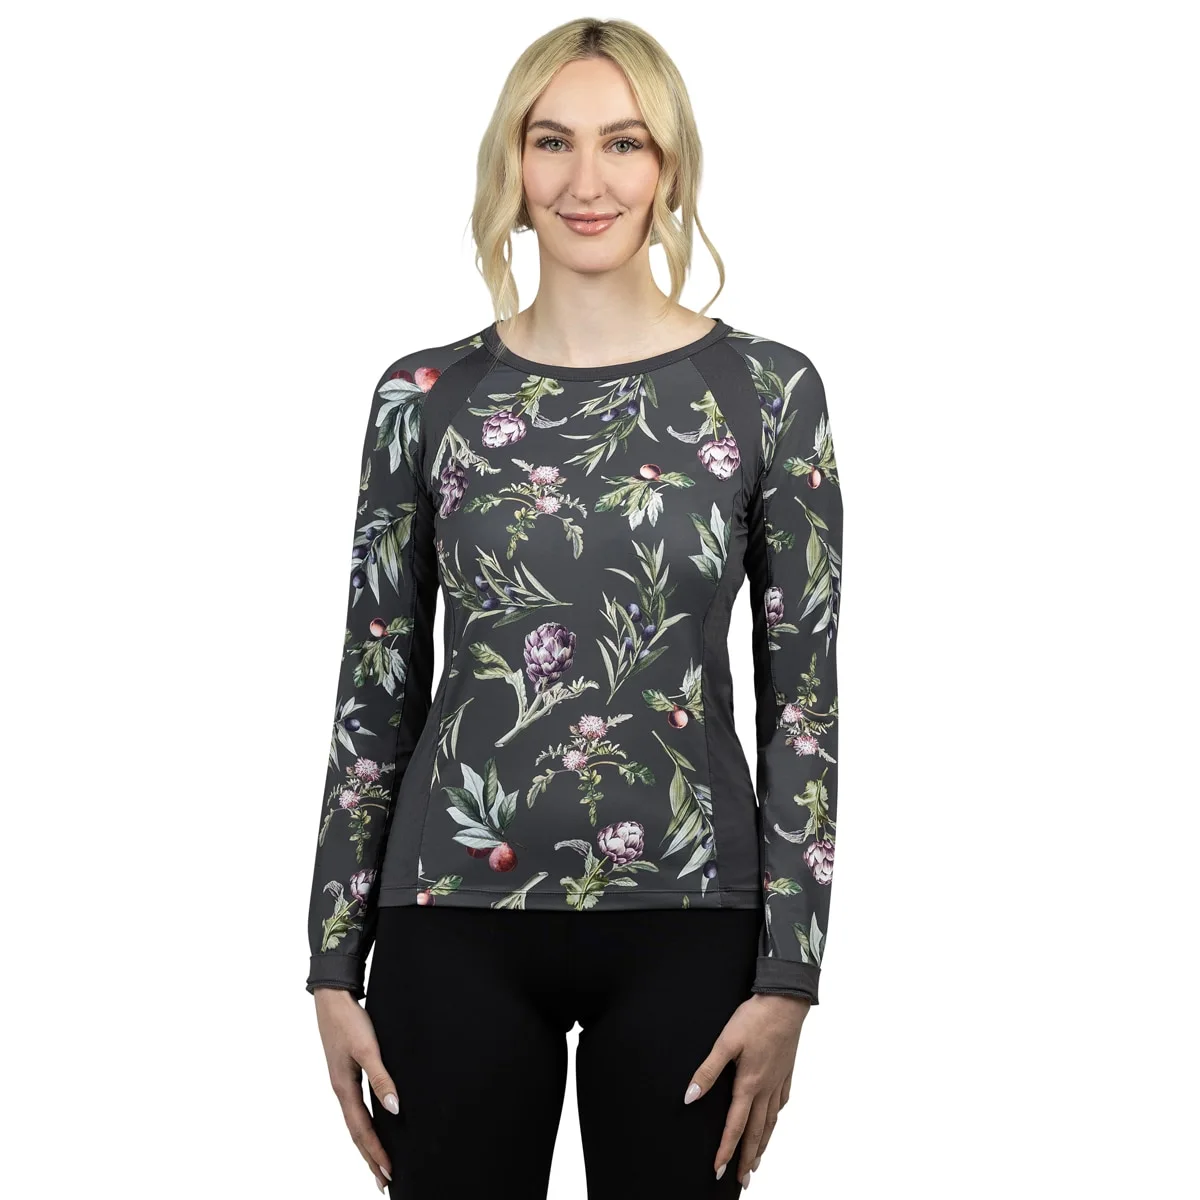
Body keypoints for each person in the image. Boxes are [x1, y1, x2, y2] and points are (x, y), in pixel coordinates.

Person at [307, 17, 842, 1198]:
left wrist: (791, 977)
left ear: (671, 168)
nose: (586, 180)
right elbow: (375, 680)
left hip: (693, 916)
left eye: (624, 143)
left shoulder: (768, 391)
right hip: (448, 909)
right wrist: (331, 962)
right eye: (552, 141)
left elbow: (802, 702)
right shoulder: (423, 396)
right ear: (512, 163)